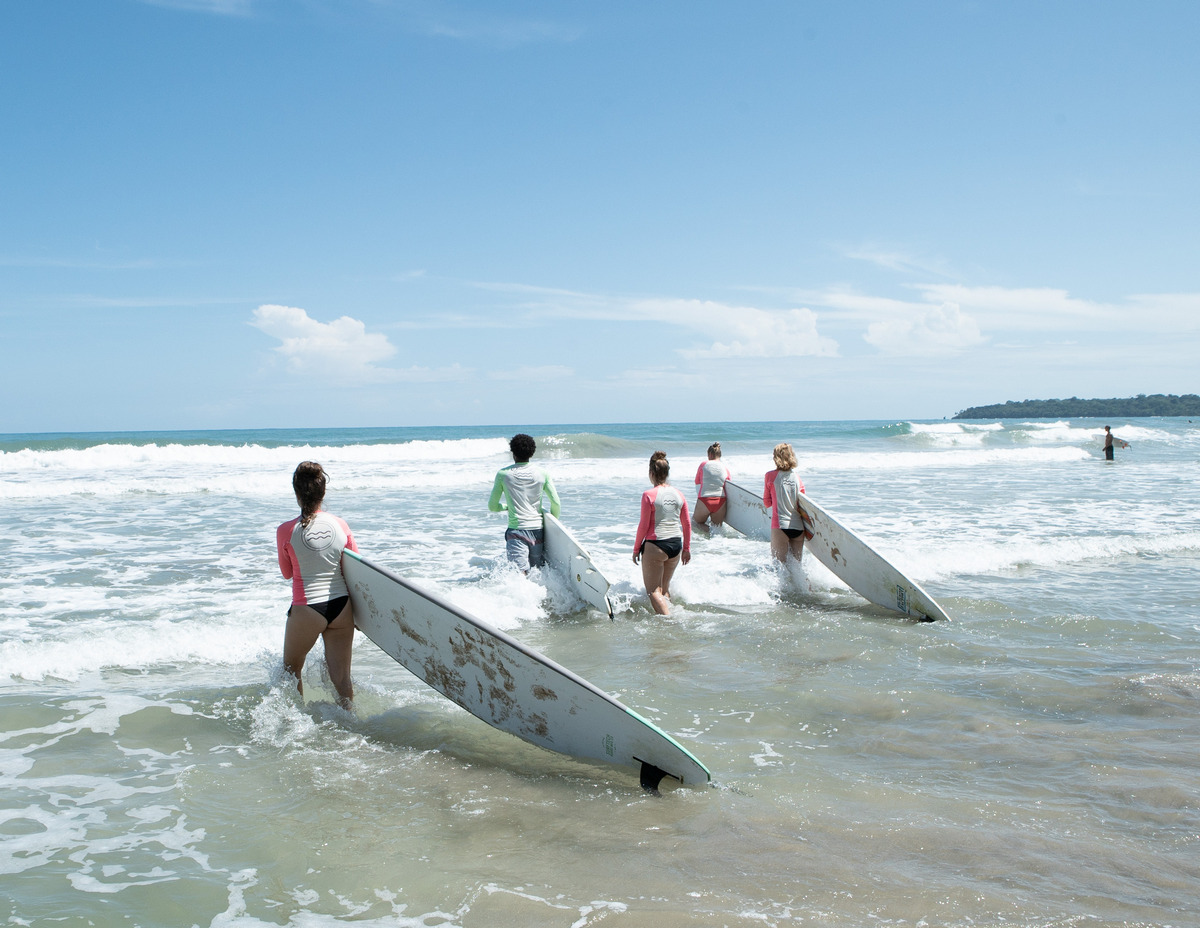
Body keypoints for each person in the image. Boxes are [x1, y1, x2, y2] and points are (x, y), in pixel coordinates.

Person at [276, 461, 358, 709]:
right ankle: (350, 722)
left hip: (308, 609)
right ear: (323, 493)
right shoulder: (340, 524)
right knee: (342, 678)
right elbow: (356, 567)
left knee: (290, 671)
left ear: (297, 493)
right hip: (342, 608)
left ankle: (297, 724)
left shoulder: (285, 531)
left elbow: (287, 573)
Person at [488, 433, 561, 573]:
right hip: (537, 531)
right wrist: (552, 524)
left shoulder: (504, 474)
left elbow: (492, 506)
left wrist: (506, 507)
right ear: (532, 453)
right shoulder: (542, 473)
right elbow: (556, 503)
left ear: (513, 453)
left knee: (520, 574)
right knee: (536, 571)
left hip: (516, 532)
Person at [633, 451, 691, 615]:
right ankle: (673, 613)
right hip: (676, 546)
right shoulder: (679, 494)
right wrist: (686, 549)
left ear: (651, 473)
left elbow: (643, 526)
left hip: (656, 546)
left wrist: (636, 549)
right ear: (667, 473)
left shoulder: (648, 495)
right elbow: (686, 523)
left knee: (653, 591)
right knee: (664, 589)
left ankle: (669, 621)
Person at [763, 442, 811, 565]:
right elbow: (803, 502)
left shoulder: (770, 476)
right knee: (796, 568)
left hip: (780, 526)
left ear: (776, 458)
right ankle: (805, 584)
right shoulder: (797, 478)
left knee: (779, 567)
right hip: (799, 529)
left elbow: (767, 502)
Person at [693, 442, 732, 533]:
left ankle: (709, 531)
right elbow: (729, 484)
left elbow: (697, 481)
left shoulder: (703, 465)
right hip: (721, 501)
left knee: (695, 523)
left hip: (705, 499)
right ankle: (715, 538)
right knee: (717, 528)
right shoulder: (724, 467)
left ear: (710, 454)